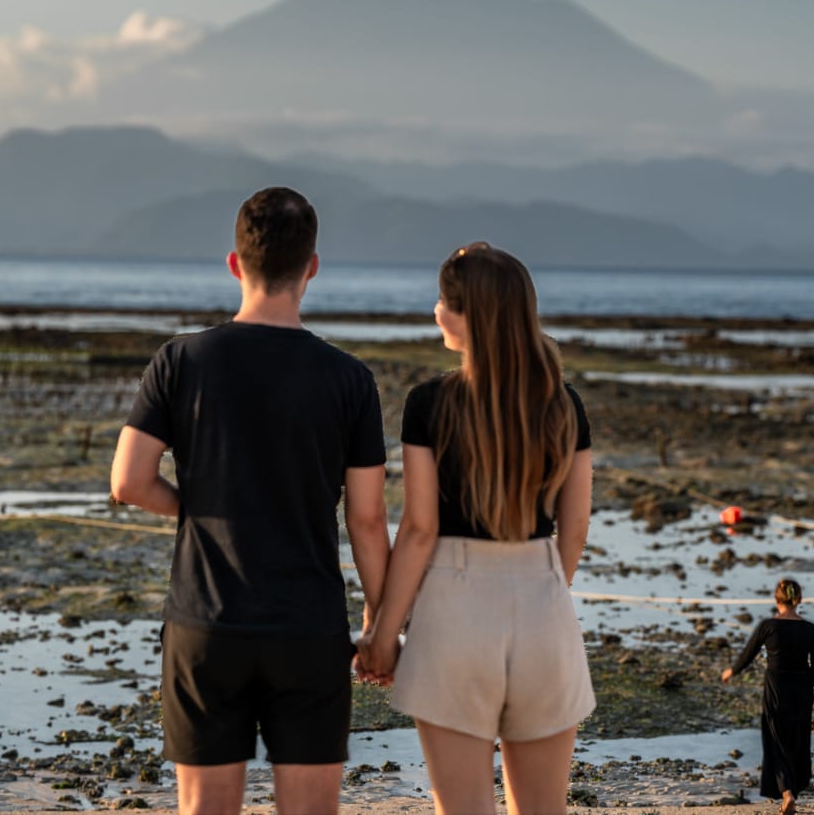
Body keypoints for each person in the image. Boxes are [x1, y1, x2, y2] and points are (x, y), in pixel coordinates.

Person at [110, 187, 390, 815]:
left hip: (207, 624)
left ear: (235, 264)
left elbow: (128, 481)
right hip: (309, 628)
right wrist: (381, 628)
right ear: (312, 266)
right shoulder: (350, 379)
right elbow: (367, 520)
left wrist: (200, 505)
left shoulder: (180, 360)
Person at [357, 242, 595, 815]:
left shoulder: (430, 403)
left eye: (443, 301)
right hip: (543, 605)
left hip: (455, 613)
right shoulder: (564, 405)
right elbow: (577, 525)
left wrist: (383, 635)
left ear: (470, 316)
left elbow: (417, 530)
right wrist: (540, 585)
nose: (436, 311)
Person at [721, 578, 814, 815]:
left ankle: (787, 793)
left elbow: (748, 654)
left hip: (777, 689)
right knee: (797, 742)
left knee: (776, 741)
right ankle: (792, 790)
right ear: (798, 599)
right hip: (802, 689)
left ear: (776, 599)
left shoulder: (768, 626)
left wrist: (731, 671)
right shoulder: (811, 629)